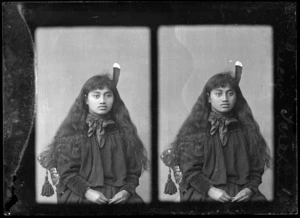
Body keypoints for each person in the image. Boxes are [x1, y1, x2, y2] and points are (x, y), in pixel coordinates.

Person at [38, 63, 149, 204]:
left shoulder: (124, 131)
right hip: (80, 193)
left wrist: (126, 191)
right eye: (96, 96)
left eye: (108, 95)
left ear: (114, 99)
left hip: (119, 194)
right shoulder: (72, 131)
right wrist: (88, 192)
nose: (102, 101)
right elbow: (66, 172)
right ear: (86, 99)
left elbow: (133, 171)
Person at [161, 61, 271, 202]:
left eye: (230, 93)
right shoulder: (196, 129)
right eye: (218, 94)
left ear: (236, 97)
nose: (225, 99)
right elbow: (190, 170)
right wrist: (211, 191)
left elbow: (256, 168)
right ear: (209, 98)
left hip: (242, 191)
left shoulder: (246, 129)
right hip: (203, 191)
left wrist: (250, 189)